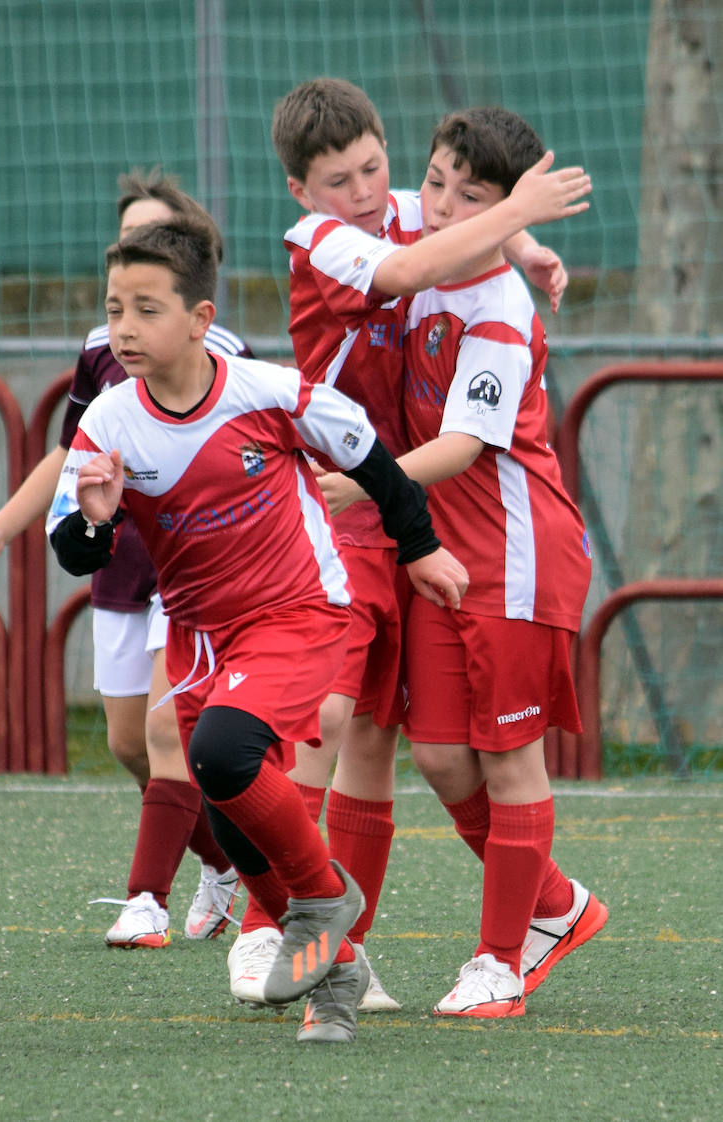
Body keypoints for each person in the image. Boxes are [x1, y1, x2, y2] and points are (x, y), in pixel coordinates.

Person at [47, 217, 468, 1043]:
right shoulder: (109, 422)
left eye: (147, 309)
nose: (125, 328)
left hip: (301, 610)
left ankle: (325, 901)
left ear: (201, 320)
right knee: (234, 813)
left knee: (221, 755)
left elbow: (372, 459)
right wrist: (98, 523)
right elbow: (70, 549)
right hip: (203, 638)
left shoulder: (266, 391)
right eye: (113, 308)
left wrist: (420, 548)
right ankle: (336, 972)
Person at [225, 76, 591, 1016]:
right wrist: (517, 220)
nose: (374, 192)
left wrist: (526, 243)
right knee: (352, 723)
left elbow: (463, 213)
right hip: (370, 506)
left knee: (381, 733)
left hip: (452, 523)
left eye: (374, 170)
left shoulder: (487, 294)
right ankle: (290, 931)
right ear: (303, 192)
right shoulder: (338, 238)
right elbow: (421, 251)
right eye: (341, 178)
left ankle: (481, 950)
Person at [319, 105, 607, 1018]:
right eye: (436, 179)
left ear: (500, 206)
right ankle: (556, 905)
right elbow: (406, 217)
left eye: (466, 194)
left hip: (519, 557)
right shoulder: (423, 233)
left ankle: (500, 960)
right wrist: (520, 233)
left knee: (508, 755)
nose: (437, 204)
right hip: (442, 553)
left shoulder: (498, 310)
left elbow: (464, 445)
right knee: (444, 759)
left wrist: (361, 483)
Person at [0, 169, 250, 948]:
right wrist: (2, 527)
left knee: (164, 734)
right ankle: (222, 868)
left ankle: (144, 901)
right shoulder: (100, 356)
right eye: (125, 257)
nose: (134, 273)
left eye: (155, 248)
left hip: (191, 575)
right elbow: (68, 458)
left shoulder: (226, 358)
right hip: (121, 567)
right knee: (127, 745)